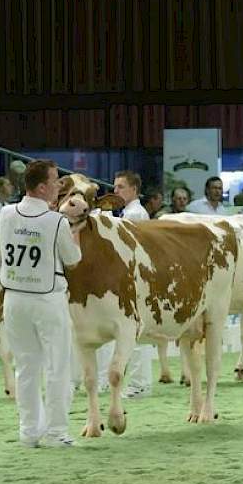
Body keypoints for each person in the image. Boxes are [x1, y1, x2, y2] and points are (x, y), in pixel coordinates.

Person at [0, 159, 81, 448]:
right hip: (47, 298)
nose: (60, 186)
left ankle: (29, 431)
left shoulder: (6, 213)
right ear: (43, 187)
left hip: (14, 297)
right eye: (56, 180)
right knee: (58, 366)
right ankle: (56, 432)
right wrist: (75, 234)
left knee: (26, 367)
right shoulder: (56, 220)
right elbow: (72, 259)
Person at [109, 171, 152, 399]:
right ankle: (138, 383)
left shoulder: (134, 214)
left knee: (135, 334)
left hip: (134, 278)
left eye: (121, 187)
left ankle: (140, 384)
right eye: (115, 187)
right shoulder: (129, 213)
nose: (115, 191)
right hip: (131, 277)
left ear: (134, 189)